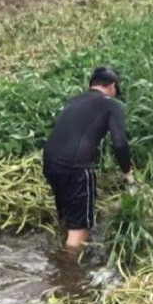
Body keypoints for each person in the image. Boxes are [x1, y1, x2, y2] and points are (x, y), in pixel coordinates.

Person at [42, 66, 134, 251]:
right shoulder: (111, 103)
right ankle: (69, 275)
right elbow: (119, 143)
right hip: (76, 169)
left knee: (67, 219)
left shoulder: (73, 101)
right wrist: (127, 172)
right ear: (112, 86)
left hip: (49, 163)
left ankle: (59, 256)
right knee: (80, 231)